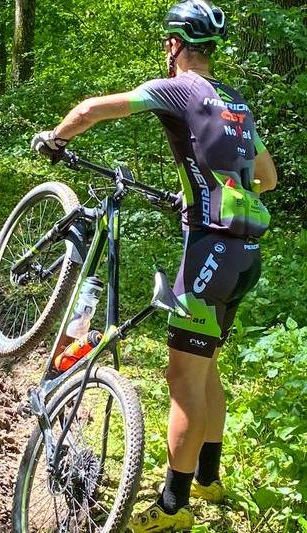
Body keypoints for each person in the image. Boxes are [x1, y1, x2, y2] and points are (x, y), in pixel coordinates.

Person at [30, 0, 278, 530]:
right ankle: (208, 480)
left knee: (182, 378)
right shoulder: (235, 101)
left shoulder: (180, 88)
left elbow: (92, 109)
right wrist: (208, 189)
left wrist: (55, 138)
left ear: (174, 45)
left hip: (209, 251)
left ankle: (172, 508)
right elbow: (267, 176)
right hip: (244, 252)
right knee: (205, 366)